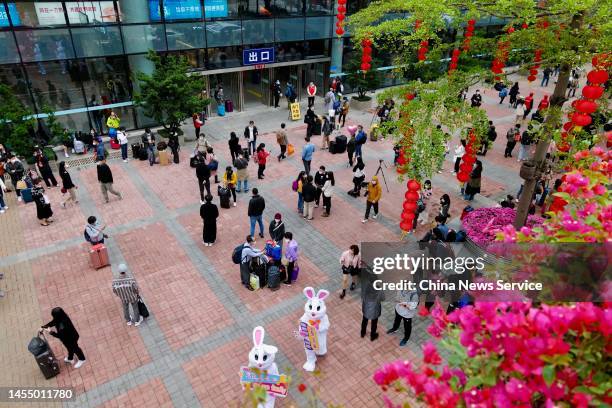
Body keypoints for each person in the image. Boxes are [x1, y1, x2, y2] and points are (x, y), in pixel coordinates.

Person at [361, 274, 382, 341]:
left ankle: (362, 333)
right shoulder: (378, 288)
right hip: (375, 309)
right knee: (374, 323)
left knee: (364, 320)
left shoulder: (365, 287)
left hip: (366, 307)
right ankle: (372, 336)